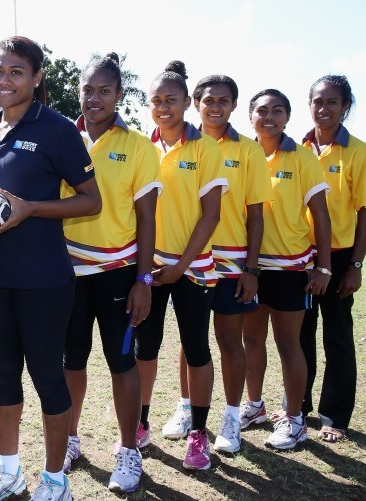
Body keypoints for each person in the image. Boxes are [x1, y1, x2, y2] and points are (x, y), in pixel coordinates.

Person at [0, 37, 101, 501]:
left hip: (44, 278)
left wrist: (30, 210)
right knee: (4, 376)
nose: (5, 80)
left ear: (37, 76)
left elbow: (91, 201)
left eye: (16, 71)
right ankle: (8, 474)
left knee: (47, 377)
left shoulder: (59, 129)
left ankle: (55, 483)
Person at [59, 53, 160, 493]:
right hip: (68, 272)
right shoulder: (62, 136)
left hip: (119, 273)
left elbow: (148, 220)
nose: (94, 98)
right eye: (88, 89)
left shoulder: (139, 146)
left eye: (105, 90)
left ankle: (127, 451)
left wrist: (143, 281)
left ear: (119, 95)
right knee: (71, 360)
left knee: (122, 362)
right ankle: (68, 440)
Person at [160, 75, 271, 454]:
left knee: (228, 339)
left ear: (234, 106)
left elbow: (256, 216)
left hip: (229, 261)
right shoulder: (174, 142)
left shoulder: (249, 151)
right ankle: (186, 408)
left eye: (224, 101)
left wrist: (251, 270)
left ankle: (231, 417)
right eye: (209, 100)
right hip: (187, 259)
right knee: (191, 341)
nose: (216, 107)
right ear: (195, 102)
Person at [134, 61, 227, 472]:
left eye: (170, 100)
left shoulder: (206, 148)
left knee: (196, 349)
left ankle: (198, 437)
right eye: (156, 101)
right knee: (145, 349)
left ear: (187, 102)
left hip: (193, 269)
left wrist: (181, 265)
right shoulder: (143, 146)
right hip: (148, 269)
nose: (163, 108)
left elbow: (211, 215)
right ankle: (139, 425)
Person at [243, 88, 332, 449]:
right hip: (248, 265)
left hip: (290, 266)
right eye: (262, 110)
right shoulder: (243, 154)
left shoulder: (302, 158)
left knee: (287, 344)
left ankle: (294, 420)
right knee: (251, 341)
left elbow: (321, 215)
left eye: (277, 111)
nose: (269, 117)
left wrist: (323, 267)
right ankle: (255, 406)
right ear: (250, 116)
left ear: (288, 117)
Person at [299, 75, 366, 443]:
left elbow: (365, 212)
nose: (323, 108)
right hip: (300, 255)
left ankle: (335, 416)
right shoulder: (297, 147)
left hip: (341, 256)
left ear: (346, 106)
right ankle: (297, 407)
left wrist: (355, 266)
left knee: (338, 336)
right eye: (317, 101)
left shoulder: (358, 152)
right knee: (299, 335)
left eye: (332, 102)